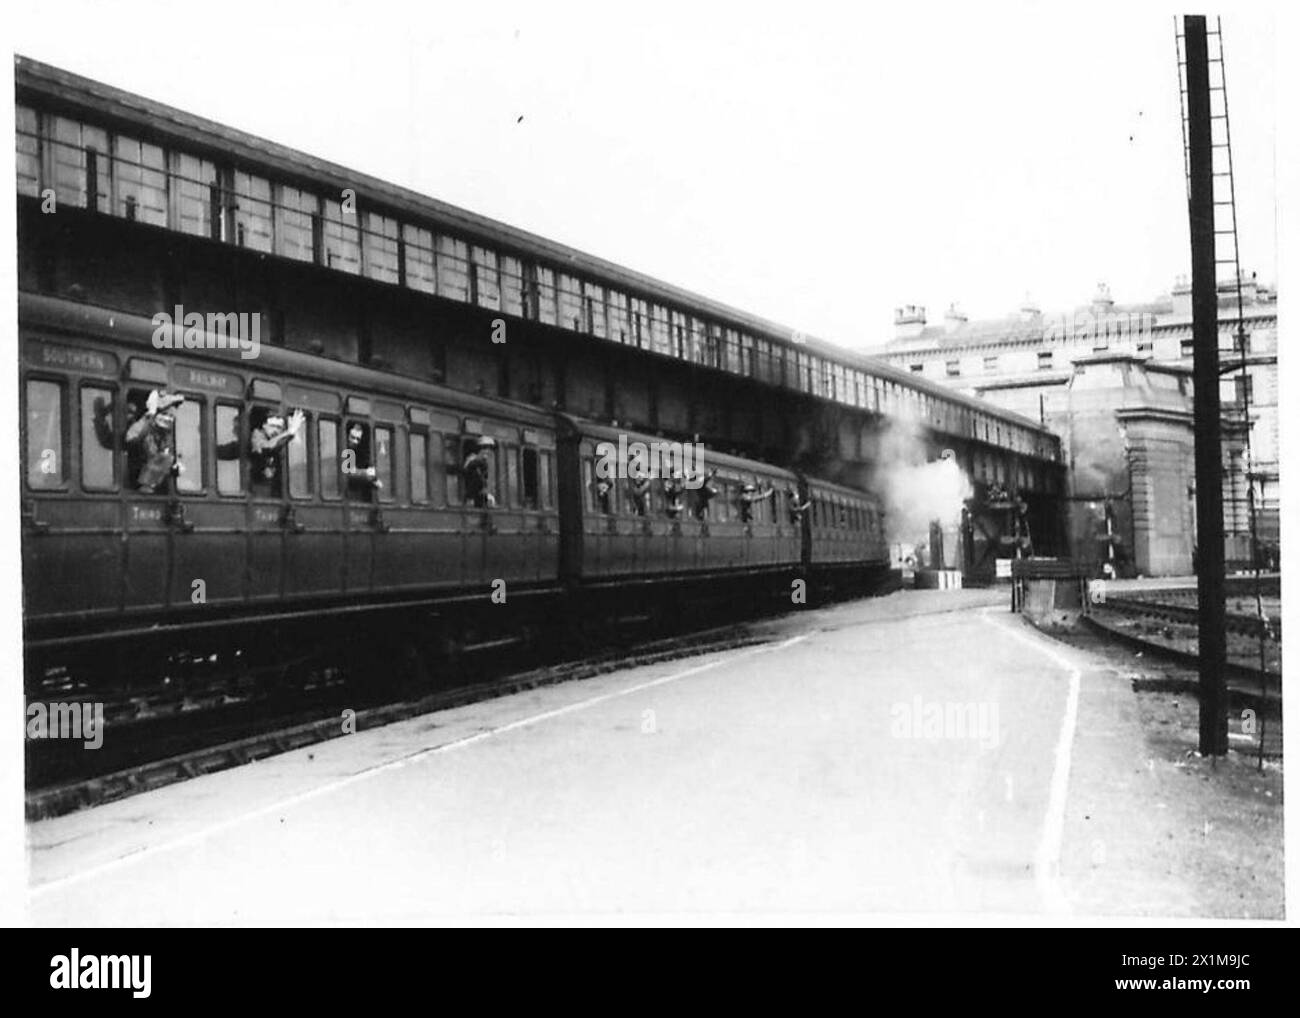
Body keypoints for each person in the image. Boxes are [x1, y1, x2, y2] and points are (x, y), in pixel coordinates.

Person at [123, 389, 184, 493]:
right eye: (164, 413)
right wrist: (150, 415)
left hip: (157, 488)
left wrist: (173, 470)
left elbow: (164, 456)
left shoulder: (165, 436)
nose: (167, 418)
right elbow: (131, 439)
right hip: (136, 485)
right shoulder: (141, 427)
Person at [248, 408, 305, 497]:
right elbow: (266, 447)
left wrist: (294, 433)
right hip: (259, 491)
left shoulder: (280, 439)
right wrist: (289, 432)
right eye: (273, 426)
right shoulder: (257, 436)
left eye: (279, 428)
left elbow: (298, 450)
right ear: (264, 425)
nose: (276, 431)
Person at [345, 420, 384, 500]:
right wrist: (366, 474)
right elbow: (349, 473)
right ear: (347, 435)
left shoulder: (356, 452)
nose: (355, 441)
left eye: (358, 439)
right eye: (352, 437)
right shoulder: (346, 450)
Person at [462, 435, 495, 508]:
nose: (487, 451)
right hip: (470, 496)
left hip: (480, 496)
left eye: (489, 448)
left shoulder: (485, 463)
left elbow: (485, 480)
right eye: (485, 448)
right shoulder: (471, 460)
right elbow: (466, 472)